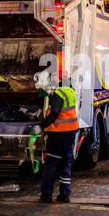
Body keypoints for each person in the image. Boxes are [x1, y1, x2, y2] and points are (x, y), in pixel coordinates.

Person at [34, 71, 79, 203]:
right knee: (66, 163)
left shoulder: (57, 93)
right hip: (71, 131)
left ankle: (46, 195)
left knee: (51, 165)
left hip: (58, 134)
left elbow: (54, 112)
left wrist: (41, 126)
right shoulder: (70, 91)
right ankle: (64, 195)